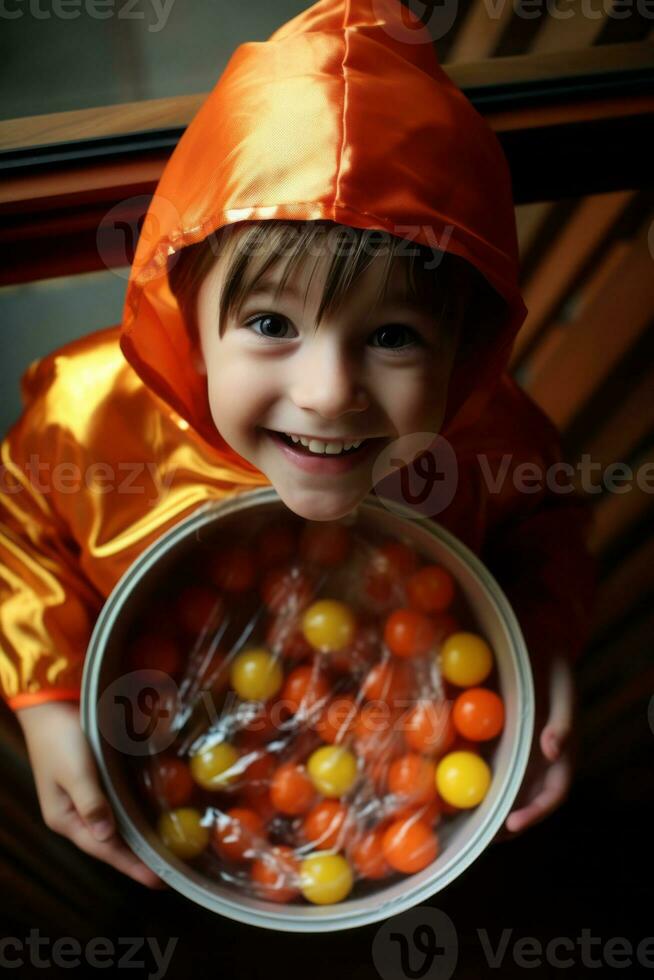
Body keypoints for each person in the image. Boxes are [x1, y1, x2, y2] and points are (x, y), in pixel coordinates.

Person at [0, 0, 596, 891]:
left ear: (462, 347)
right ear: (189, 317)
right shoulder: (92, 422)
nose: (327, 393)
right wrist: (46, 701)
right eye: (272, 322)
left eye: (393, 336)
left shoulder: (488, 438)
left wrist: (541, 641)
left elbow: (544, 523)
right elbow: (17, 527)